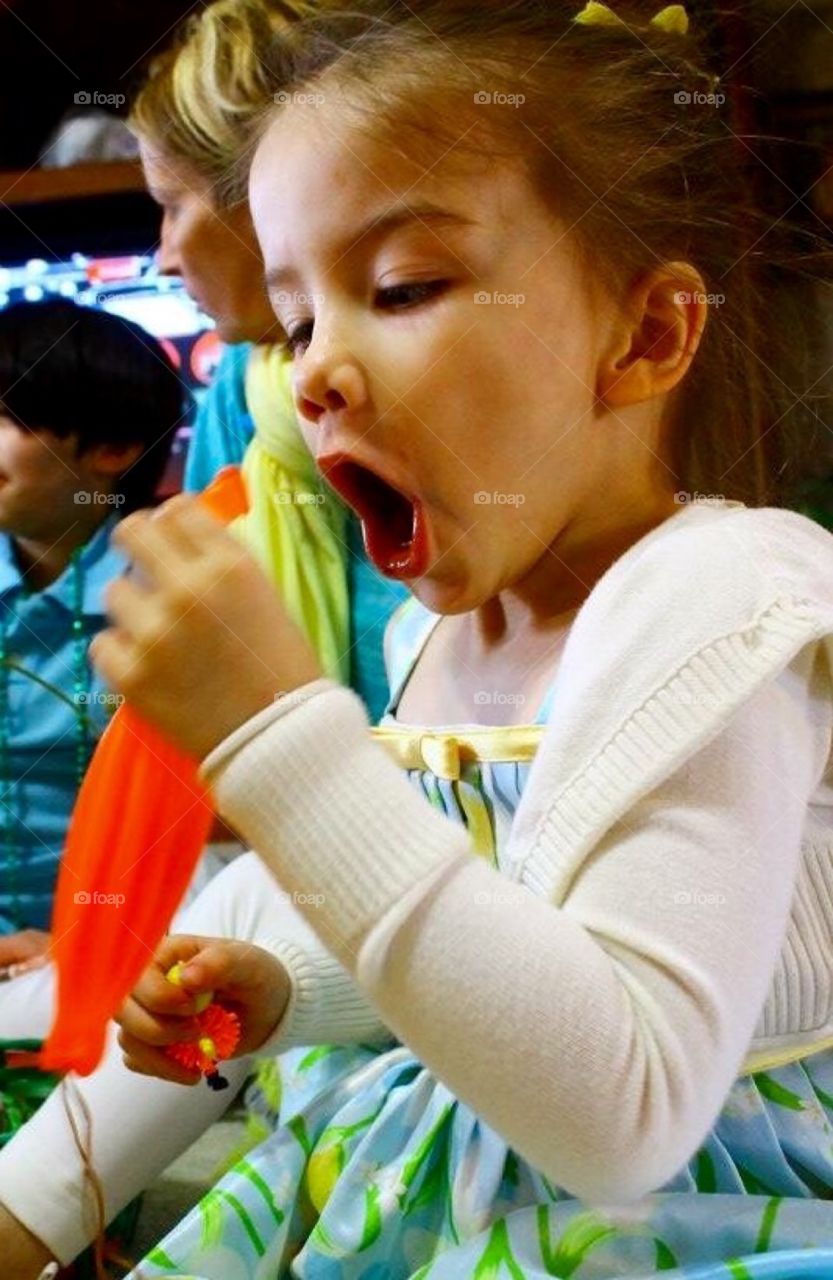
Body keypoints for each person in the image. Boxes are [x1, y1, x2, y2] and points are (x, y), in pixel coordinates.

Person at [75, 2, 833, 1278]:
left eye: (402, 288)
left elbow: (623, 1109)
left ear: (645, 336)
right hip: (438, 1177)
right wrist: (291, 984)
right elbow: (507, 941)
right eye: (297, 319)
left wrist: (278, 739)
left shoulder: (722, 588)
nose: (312, 375)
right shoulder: (446, 640)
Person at [0, 297, 183, 991]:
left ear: (113, 449)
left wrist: (78, 949)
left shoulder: (171, 596)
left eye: (8, 417)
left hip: (124, 970)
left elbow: (208, 836)